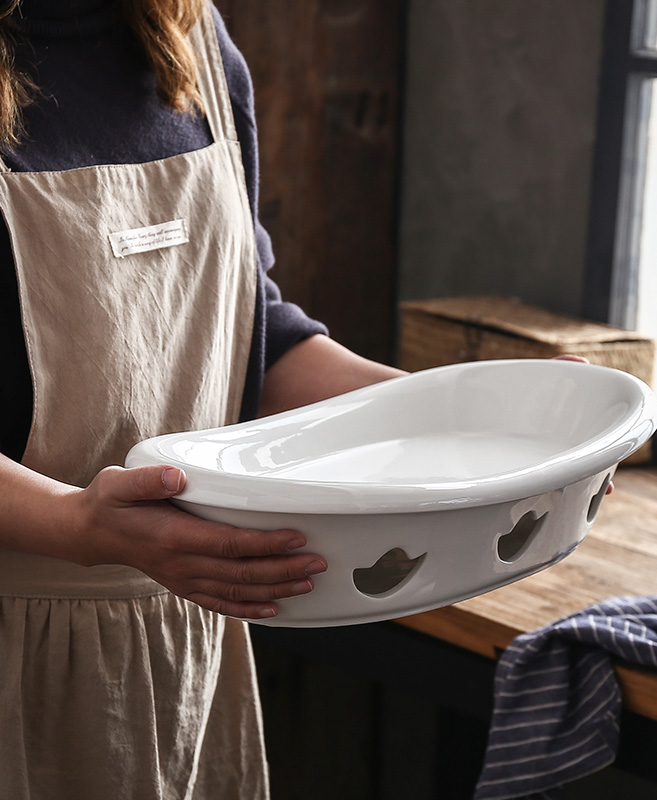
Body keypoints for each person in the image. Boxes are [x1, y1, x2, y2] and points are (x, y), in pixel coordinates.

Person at [0, 1, 401, 797]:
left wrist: (444, 408)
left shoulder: (191, 39)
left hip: (185, 647)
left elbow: (253, 333)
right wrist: (78, 525)